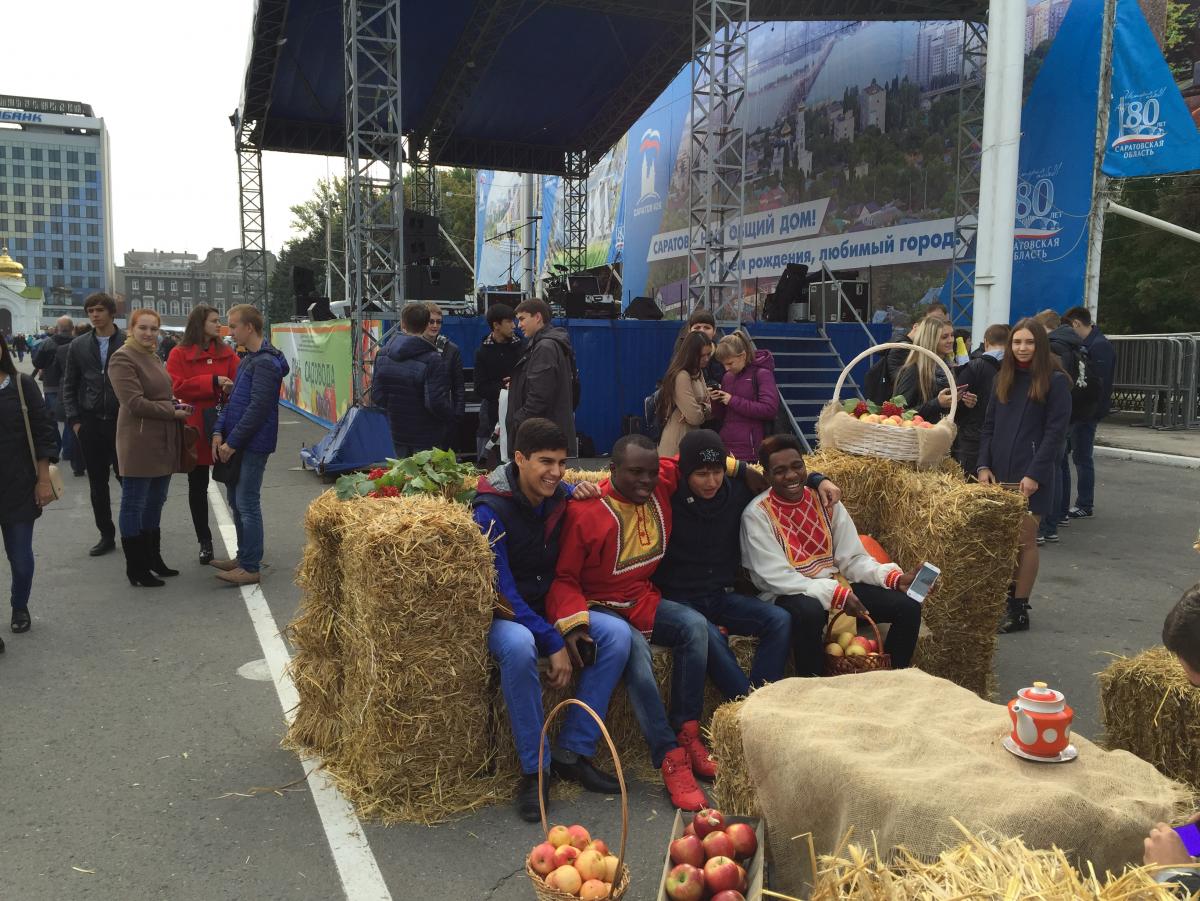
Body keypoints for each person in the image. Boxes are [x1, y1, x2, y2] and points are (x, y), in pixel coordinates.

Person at [547, 434, 738, 811]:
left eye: (650, 473)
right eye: (635, 472)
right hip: (598, 604)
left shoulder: (660, 482)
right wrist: (575, 625)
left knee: (695, 626)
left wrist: (742, 467)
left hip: (642, 598)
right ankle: (668, 755)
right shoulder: (586, 512)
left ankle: (687, 731)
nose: (645, 481)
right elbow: (565, 578)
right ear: (612, 469)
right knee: (636, 654)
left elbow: (683, 459)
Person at [472, 418, 630, 821]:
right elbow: (502, 593)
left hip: (549, 606)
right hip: (506, 614)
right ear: (519, 458)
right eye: (546, 461)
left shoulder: (560, 496)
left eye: (562, 462)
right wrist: (552, 640)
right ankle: (535, 771)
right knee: (519, 646)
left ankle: (572, 751)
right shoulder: (489, 510)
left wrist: (580, 491)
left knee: (615, 634)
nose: (556, 472)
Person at [653, 429, 842, 692]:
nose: (711, 482)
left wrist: (819, 479)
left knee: (779, 620)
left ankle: (765, 692)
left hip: (720, 596)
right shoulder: (666, 496)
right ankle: (745, 703)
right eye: (701, 474)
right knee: (710, 637)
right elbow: (637, 474)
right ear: (685, 473)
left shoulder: (739, 492)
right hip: (680, 599)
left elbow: (783, 477)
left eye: (717, 472)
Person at [740, 434, 924, 676]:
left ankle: (890, 678)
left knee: (908, 606)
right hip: (789, 592)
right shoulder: (756, 515)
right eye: (780, 471)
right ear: (767, 476)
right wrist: (834, 594)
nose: (792, 476)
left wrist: (891, 578)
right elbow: (775, 577)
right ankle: (813, 683)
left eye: (797, 466)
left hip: (836, 587)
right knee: (810, 611)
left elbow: (852, 558)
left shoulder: (825, 500)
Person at [976, 319, 1072, 634]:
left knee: (1025, 541)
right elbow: (988, 426)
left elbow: (1055, 434)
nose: (1022, 348)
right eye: (1017, 342)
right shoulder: (1003, 378)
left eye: (1029, 342)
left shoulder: (1055, 382)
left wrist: (1035, 474)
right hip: (999, 473)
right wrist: (983, 465)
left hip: (1032, 477)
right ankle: (1005, 601)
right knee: (1004, 542)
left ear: (1040, 345)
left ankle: (1019, 609)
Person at [107, 308, 190, 588]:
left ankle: (153, 559)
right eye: (143, 328)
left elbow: (160, 393)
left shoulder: (152, 356)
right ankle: (137, 567)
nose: (149, 333)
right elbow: (134, 403)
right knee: (134, 504)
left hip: (163, 438)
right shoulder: (122, 358)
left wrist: (174, 403)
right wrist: (172, 410)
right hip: (139, 441)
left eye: (154, 329)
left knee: (155, 502)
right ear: (131, 329)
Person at [211, 304, 290, 586]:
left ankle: (250, 565)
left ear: (249, 327)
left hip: (252, 444)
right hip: (240, 441)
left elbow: (257, 409)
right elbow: (234, 404)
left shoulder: (265, 363)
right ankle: (244, 556)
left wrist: (232, 441)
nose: (230, 332)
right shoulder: (249, 359)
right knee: (236, 500)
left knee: (247, 503)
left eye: (233, 326)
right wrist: (219, 432)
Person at [167, 305, 239, 564]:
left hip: (223, 423)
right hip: (195, 426)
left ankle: (244, 540)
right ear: (199, 324)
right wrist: (213, 382)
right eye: (214, 321)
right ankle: (204, 541)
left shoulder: (227, 352)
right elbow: (176, 386)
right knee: (197, 487)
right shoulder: (179, 353)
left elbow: (239, 382)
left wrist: (228, 387)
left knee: (233, 482)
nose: (218, 326)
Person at [0, 334, 58, 644]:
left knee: (20, 559)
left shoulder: (21, 386)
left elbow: (44, 431)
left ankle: (19, 606)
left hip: (18, 485)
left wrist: (43, 479)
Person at [62, 293, 125, 556]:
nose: (95, 315)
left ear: (111, 313)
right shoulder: (78, 345)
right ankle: (106, 535)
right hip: (89, 422)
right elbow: (70, 384)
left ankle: (137, 531)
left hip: (122, 422)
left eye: (99, 310)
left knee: (128, 479)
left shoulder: (127, 342)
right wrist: (75, 420)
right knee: (97, 484)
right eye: (90, 311)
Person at [370, 303, 453, 456]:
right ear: (425, 325)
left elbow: (377, 396)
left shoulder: (382, 354)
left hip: (397, 431)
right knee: (425, 478)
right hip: (426, 435)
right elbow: (435, 402)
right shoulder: (432, 359)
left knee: (403, 477)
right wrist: (450, 416)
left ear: (402, 324)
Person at [1062, 306, 1115, 520]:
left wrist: (1091, 412)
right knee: (1077, 456)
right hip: (1083, 411)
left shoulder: (1099, 346)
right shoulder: (1092, 343)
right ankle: (1082, 502)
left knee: (1083, 457)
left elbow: (1098, 385)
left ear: (1076, 323)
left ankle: (1085, 503)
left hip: (1087, 412)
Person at [1041, 313, 1090, 543]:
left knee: (1051, 468)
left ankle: (1047, 524)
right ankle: (1058, 517)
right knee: (1060, 466)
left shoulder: (1055, 347)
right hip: (1074, 411)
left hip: (1056, 413)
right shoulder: (1076, 344)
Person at [507, 299, 577, 458]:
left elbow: (540, 396)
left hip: (542, 438)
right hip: (546, 435)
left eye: (522, 318)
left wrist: (517, 421)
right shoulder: (549, 344)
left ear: (538, 317)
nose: (519, 324)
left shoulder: (545, 347)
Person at [709, 332, 780, 462]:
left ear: (743, 356)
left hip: (752, 450)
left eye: (730, 363)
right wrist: (716, 401)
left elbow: (769, 409)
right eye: (723, 364)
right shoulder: (727, 377)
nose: (726, 368)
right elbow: (722, 415)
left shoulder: (762, 374)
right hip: (728, 447)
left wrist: (732, 400)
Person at [893, 317, 976, 423]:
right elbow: (898, 413)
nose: (951, 340)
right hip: (920, 437)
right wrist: (937, 403)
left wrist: (965, 404)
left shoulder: (948, 368)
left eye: (952, 335)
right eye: (944, 337)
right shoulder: (913, 370)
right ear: (931, 340)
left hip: (944, 436)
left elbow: (951, 415)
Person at [952, 324, 1008, 478]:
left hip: (972, 440)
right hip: (1003, 440)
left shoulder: (974, 366)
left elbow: (955, 405)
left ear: (986, 342)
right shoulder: (1013, 368)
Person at [472, 303, 523, 460]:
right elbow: (480, 387)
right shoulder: (482, 352)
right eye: (509, 321)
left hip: (520, 408)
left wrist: (517, 383)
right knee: (490, 458)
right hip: (492, 412)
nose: (514, 325)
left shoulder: (522, 346)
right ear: (496, 325)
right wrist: (504, 388)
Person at [656, 331, 713, 457]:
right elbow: (695, 417)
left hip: (693, 437)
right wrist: (703, 408)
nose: (707, 359)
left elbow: (709, 408)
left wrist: (701, 408)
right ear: (691, 354)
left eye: (709, 354)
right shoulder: (681, 376)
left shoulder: (698, 372)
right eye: (702, 355)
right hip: (677, 439)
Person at [424, 302, 465, 449]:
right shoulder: (414, 346)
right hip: (420, 414)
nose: (435, 325)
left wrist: (457, 414)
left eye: (439, 322)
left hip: (444, 414)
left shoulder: (451, 349)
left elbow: (458, 385)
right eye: (431, 321)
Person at [31, 316, 75, 454]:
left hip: (51, 385)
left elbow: (37, 363)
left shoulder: (47, 343)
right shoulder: (77, 343)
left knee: (51, 419)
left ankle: (56, 446)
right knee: (70, 417)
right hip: (71, 385)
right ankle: (68, 449)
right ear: (72, 328)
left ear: (57, 329)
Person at [672, 309, 726, 390]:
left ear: (714, 331)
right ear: (689, 330)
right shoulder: (681, 354)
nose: (702, 331)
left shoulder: (723, 352)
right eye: (697, 327)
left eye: (707, 327)